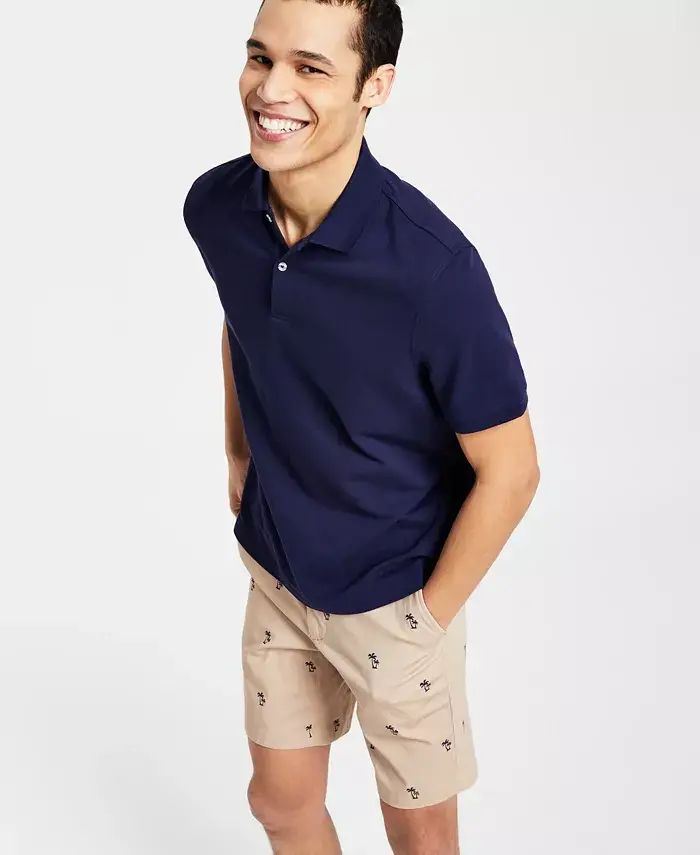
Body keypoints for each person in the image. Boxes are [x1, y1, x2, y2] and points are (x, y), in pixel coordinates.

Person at [183, 0, 540, 852]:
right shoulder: (217, 207)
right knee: (279, 802)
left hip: (396, 593)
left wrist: (425, 620)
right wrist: (237, 448)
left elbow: (513, 469)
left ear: (375, 86)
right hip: (280, 569)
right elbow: (244, 316)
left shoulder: (433, 270)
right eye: (260, 57)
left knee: (422, 840)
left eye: (310, 68)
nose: (271, 88)